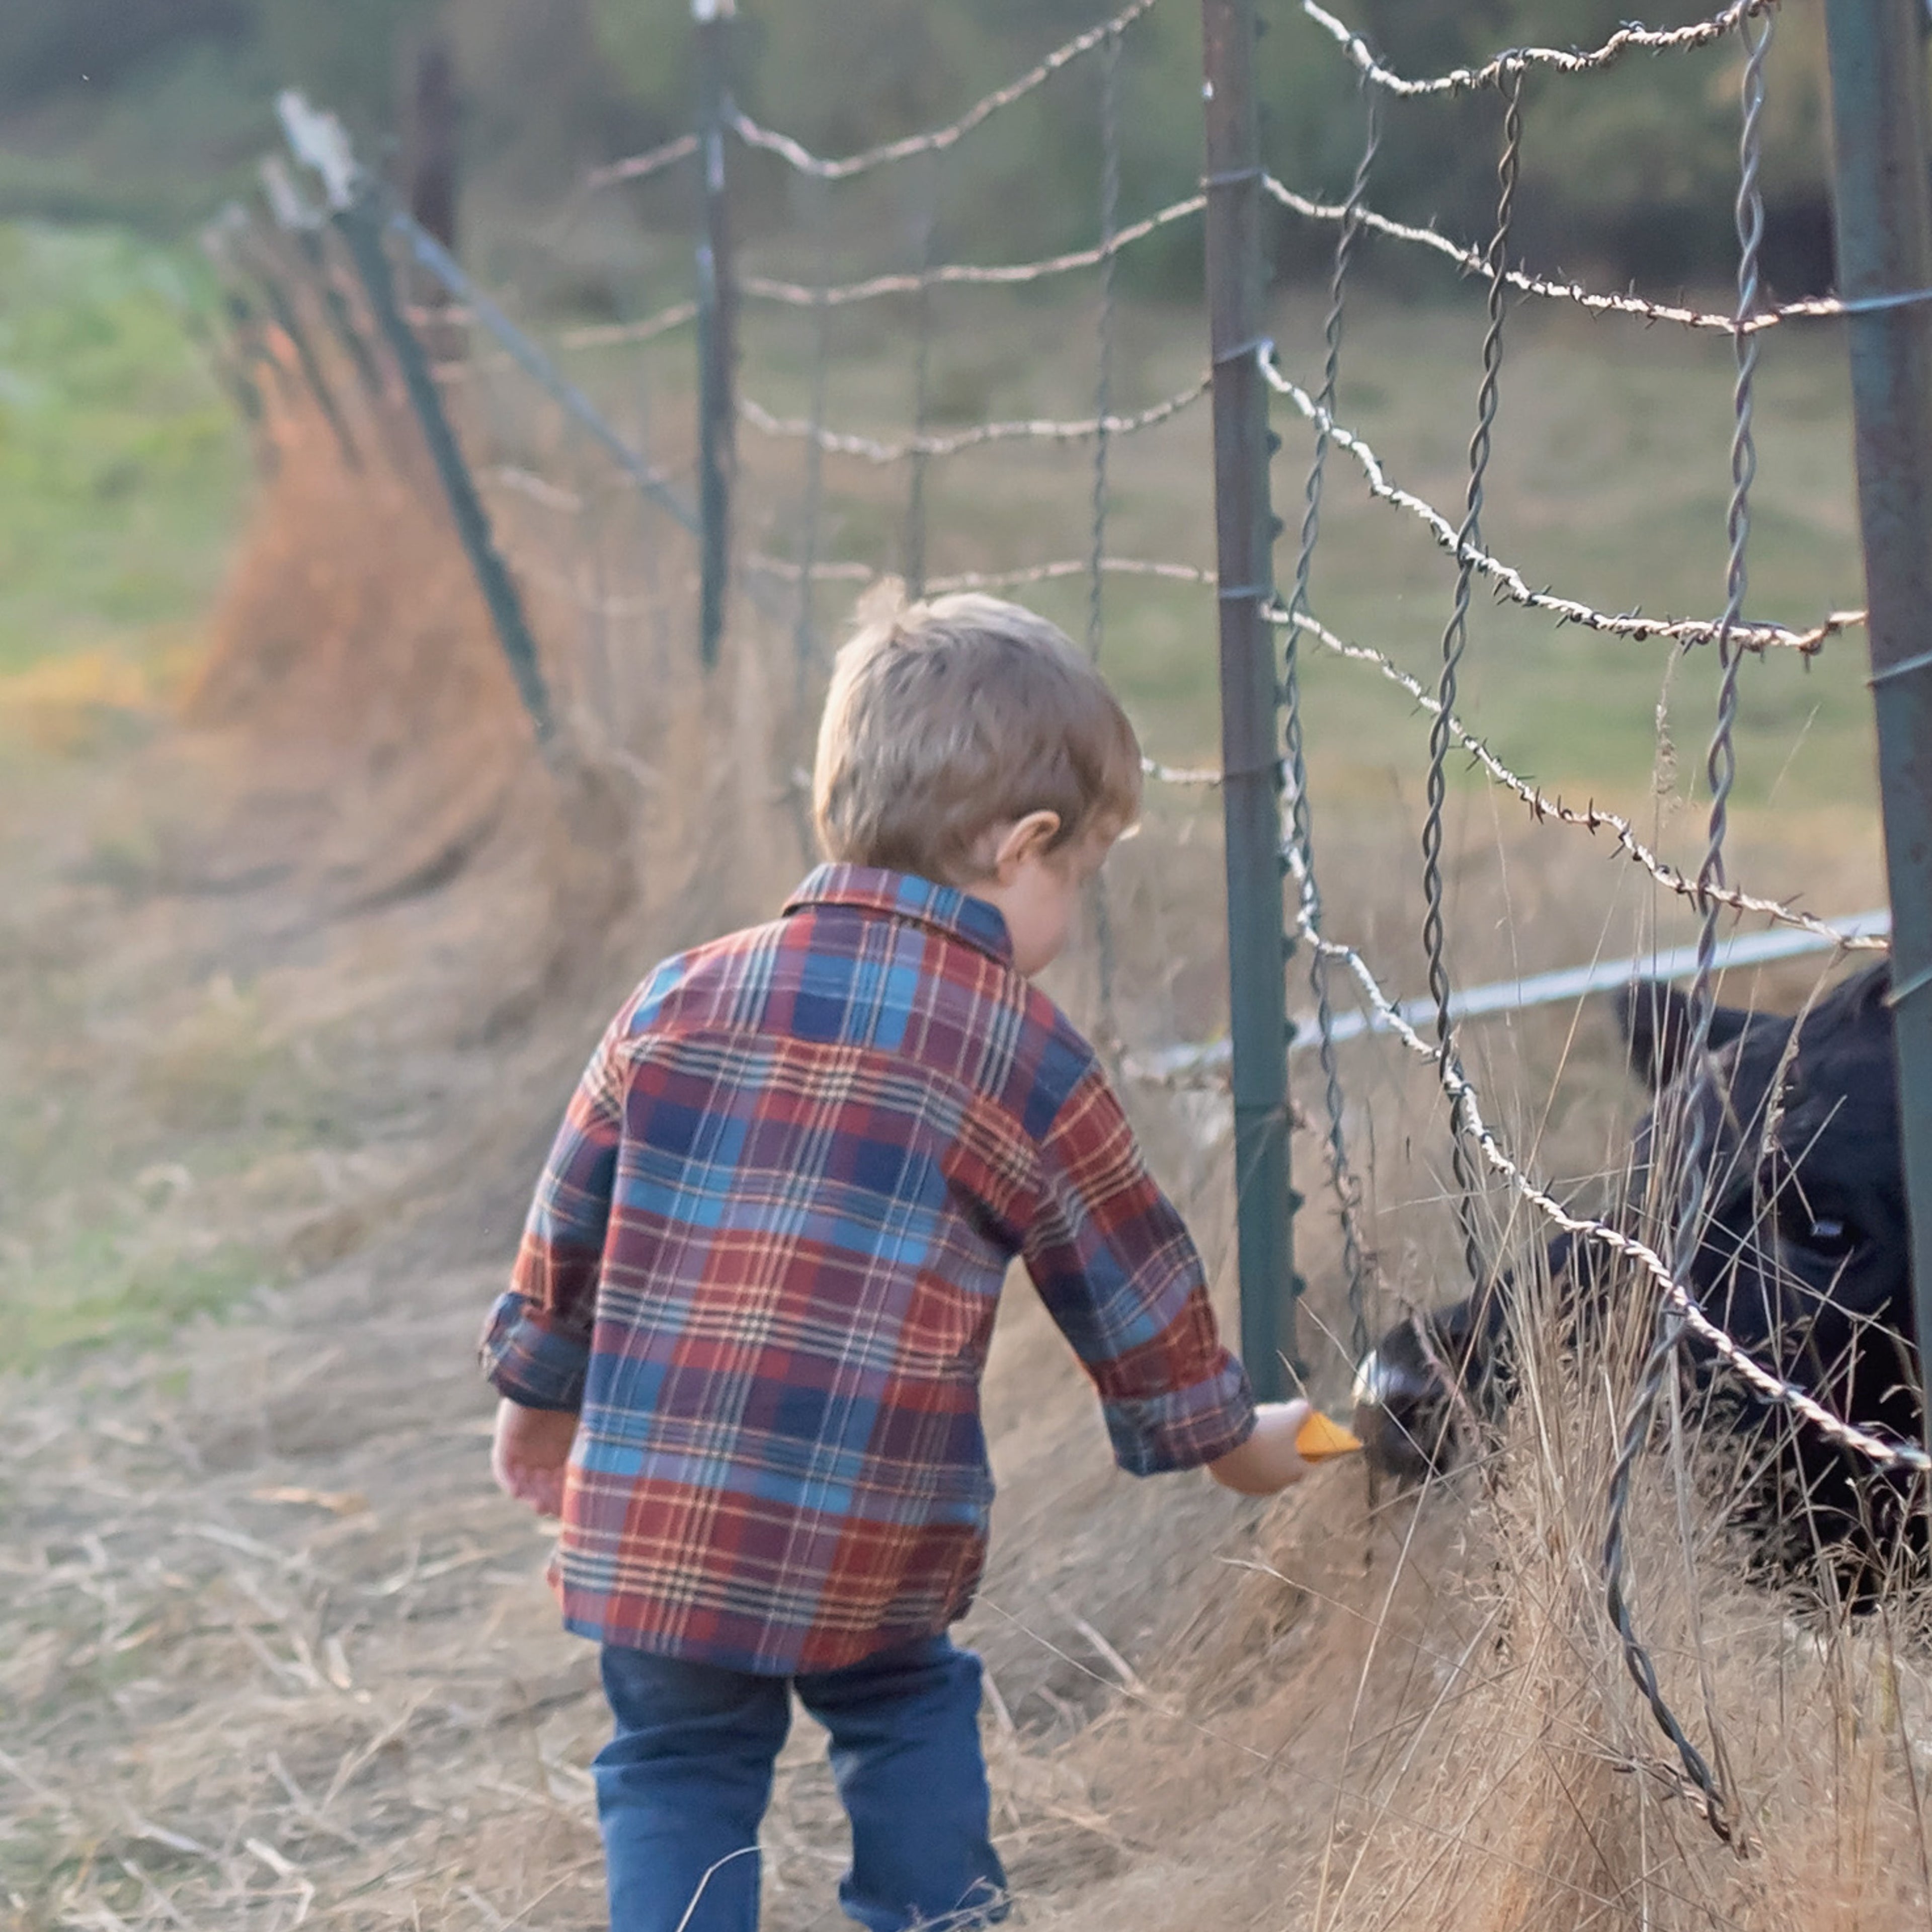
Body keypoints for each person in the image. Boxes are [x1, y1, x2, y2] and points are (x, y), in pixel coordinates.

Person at [480, 585, 1314, 1932]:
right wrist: (1224, 1434)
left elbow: (565, 1225)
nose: (1073, 915)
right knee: (908, 1717)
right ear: (1023, 846)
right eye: (1079, 880)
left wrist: (537, 1403)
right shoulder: (1025, 1058)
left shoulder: (678, 996)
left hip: (659, 1517)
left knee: (679, 1765)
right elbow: (1131, 1279)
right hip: (871, 1531)